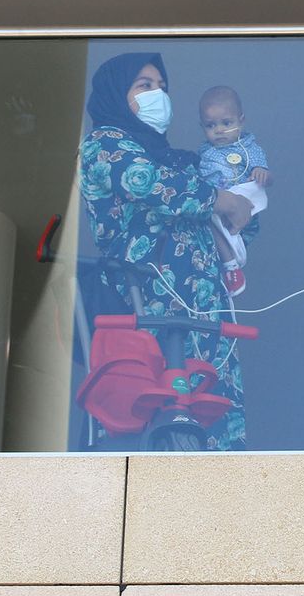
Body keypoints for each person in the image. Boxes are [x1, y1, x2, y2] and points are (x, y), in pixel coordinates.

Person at [79, 52, 255, 450]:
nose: (158, 93)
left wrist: (243, 194)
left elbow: (235, 219)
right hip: (146, 307)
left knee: (215, 422)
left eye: (162, 86)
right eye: (144, 85)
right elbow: (146, 183)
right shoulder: (104, 145)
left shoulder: (180, 161)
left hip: (204, 313)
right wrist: (218, 198)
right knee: (159, 418)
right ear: (117, 93)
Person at [196, 85, 270, 297]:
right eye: (211, 125)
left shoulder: (250, 148)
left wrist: (262, 173)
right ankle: (230, 268)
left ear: (241, 120)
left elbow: (268, 177)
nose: (219, 130)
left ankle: (233, 255)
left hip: (245, 200)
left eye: (226, 123)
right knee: (206, 218)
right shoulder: (204, 153)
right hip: (218, 204)